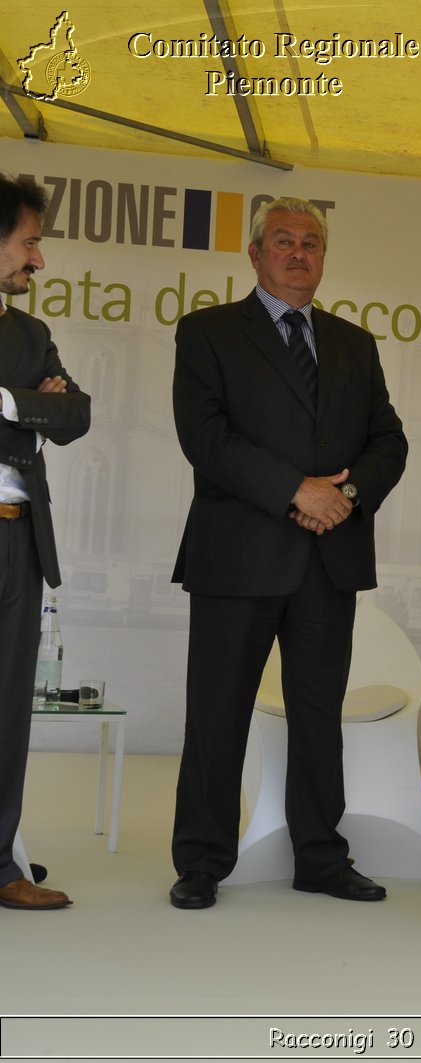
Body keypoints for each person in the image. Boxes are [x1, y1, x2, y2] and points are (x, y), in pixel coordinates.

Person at [168, 196, 408, 910]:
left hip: (328, 556)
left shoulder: (353, 344)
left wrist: (350, 492)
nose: (299, 252)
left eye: (311, 242)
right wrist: (295, 490)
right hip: (238, 556)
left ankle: (320, 857)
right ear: (255, 254)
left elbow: (388, 441)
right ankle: (202, 860)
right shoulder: (208, 332)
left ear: (324, 256)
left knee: (316, 715)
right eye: (283, 241)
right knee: (217, 714)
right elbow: (205, 437)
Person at [0, 174, 91, 913]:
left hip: (19, 541)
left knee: (6, 707)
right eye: (30, 241)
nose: (39, 259)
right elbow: (47, 413)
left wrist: (8, 403)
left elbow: (76, 415)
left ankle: (1, 864)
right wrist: (31, 406)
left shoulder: (29, 335)